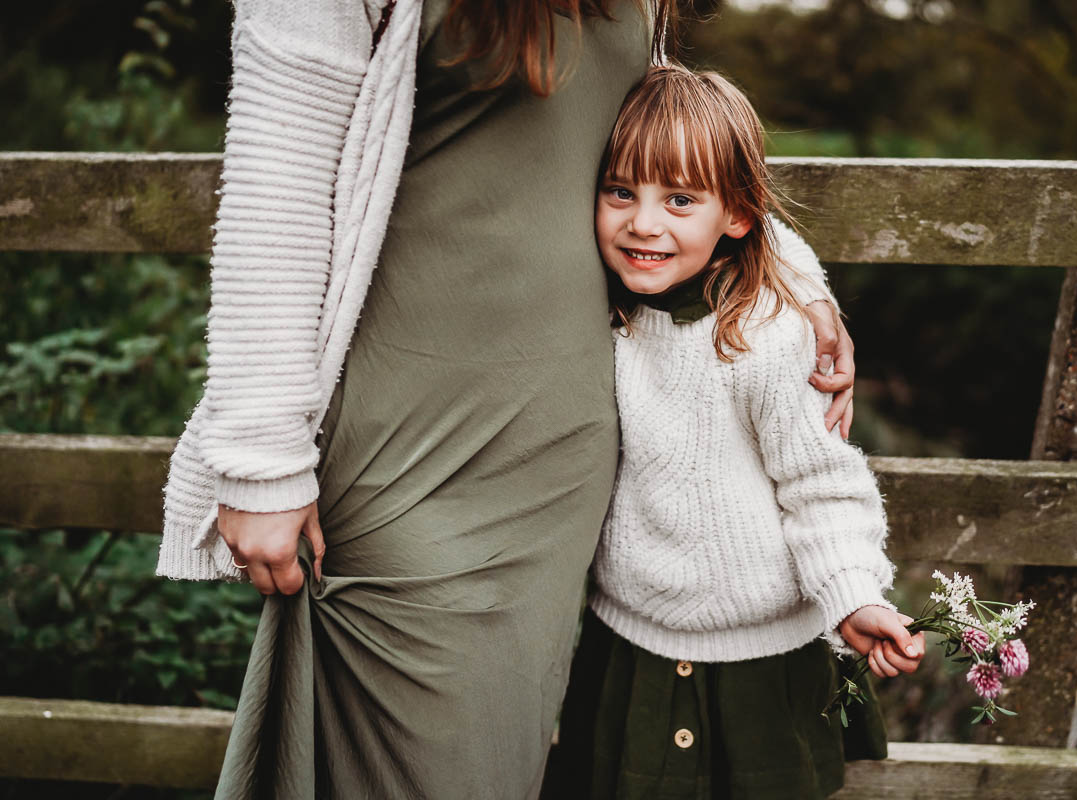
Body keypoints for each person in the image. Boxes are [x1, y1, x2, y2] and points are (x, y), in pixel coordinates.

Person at [156, 2, 857, 797]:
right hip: (410, 458)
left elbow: (660, 139)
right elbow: (276, 186)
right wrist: (258, 460)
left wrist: (797, 289)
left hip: (568, 470)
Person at [545, 64, 925, 800]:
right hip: (629, 647)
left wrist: (853, 596)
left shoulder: (766, 336)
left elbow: (822, 485)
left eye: (679, 199)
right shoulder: (598, 308)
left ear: (740, 215)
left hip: (763, 664)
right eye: (620, 190)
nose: (643, 222)